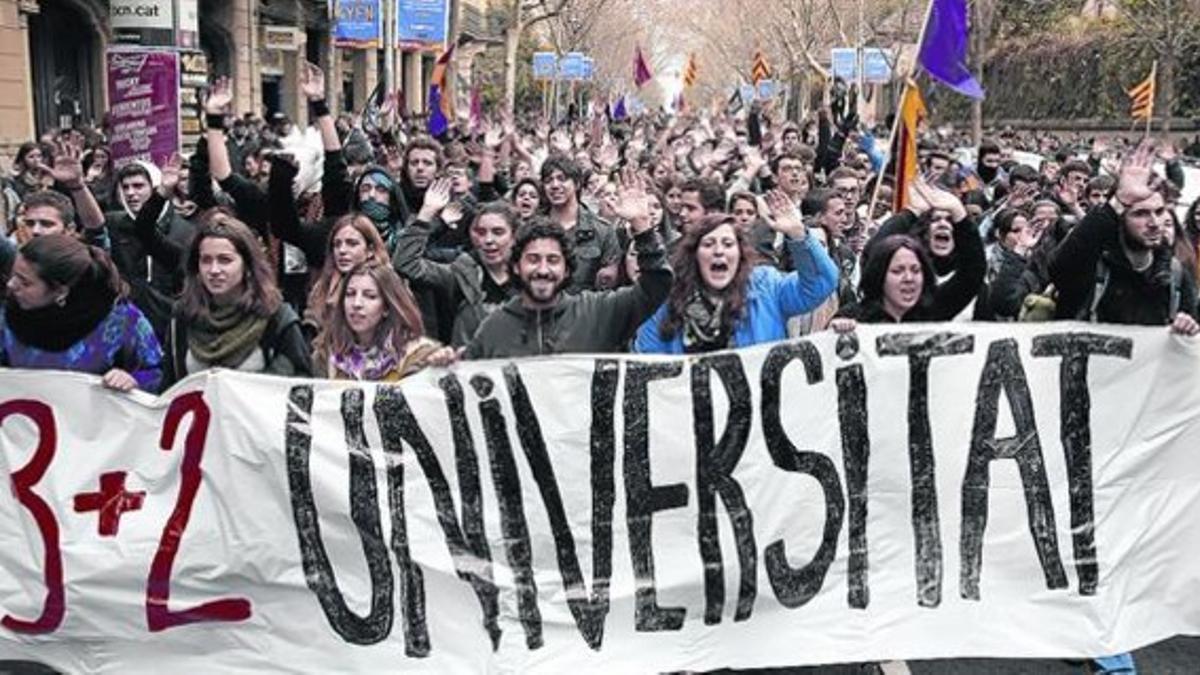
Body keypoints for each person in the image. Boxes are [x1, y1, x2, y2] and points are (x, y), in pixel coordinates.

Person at [466, 173, 671, 359]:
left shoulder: (597, 313)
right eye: (533, 259)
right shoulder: (494, 327)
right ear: (517, 266)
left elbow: (655, 287)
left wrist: (642, 229)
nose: (543, 270)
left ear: (567, 270)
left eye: (553, 260)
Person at [634, 204, 839, 354]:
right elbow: (648, 360)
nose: (719, 251)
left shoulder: (767, 287)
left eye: (727, 244)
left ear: (740, 254)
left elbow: (821, 282)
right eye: (708, 244)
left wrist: (798, 235)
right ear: (694, 255)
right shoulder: (668, 299)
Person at [1049, 141, 1198, 332]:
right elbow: (1060, 269)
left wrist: (1187, 330)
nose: (1154, 223)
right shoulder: (1093, 265)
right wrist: (1119, 201)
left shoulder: (1175, 275)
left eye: (1159, 212)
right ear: (1120, 217)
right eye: (1140, 214)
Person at [1, 234, 162, 392]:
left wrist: (132, 379)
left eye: (25, 282)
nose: (11, 284)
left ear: (60, 291)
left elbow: (157, 372)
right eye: (13, 275)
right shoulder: (7, 315)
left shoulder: (121, 320)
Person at [165, 214, 312, 383]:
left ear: (248, 266)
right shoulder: (183, 316)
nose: (214, 270)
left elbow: (302, 383)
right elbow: (168, 389)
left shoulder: (276, 317)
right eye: (206, 260)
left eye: (224, 260)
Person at [394, 197, 519, 347]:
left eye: (498, 232)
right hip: (470, 365)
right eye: (481, 232)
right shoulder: (459, 274)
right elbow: (406, 263)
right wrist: (425, 217)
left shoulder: (529, 277)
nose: (488, 240)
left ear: (514, 237)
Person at [312, 261, 457, 381]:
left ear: (387, 307)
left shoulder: (419, 355)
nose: (356, 304)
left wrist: (441, 366)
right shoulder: (326, 354)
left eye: (370, 296)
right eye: (350, 294)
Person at [540, 155, 622, 290]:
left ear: (577, 184)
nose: (555, 185)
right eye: (548, 180)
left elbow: (607, 288)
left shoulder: (603, 231)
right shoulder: (533, 229)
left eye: (562, 179)